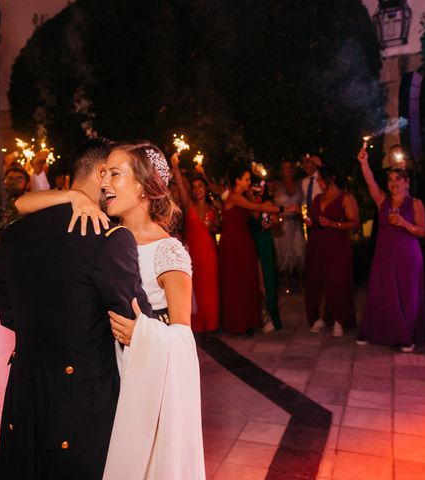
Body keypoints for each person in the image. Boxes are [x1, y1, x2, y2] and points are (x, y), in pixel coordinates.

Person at [16, 141, 205, 479]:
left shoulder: (168, 251)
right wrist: (73, 196)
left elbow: (183, 336)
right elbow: (23, 203)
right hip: (109, 381)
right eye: (103, 175)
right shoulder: (103, 230)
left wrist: (143, 333)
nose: (104, 183)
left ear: (144, 187)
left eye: (115, 175)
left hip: (146, 384)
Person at [0, 138, 153, 479]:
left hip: (25, 394)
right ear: (99, 172)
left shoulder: (12, 234)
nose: (111, 183)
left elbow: (7, 314)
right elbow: (135, 320)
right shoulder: (107, 235)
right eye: (110, 172)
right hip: (81, 403)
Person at [356, 148, 425, 352]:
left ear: (407, 183)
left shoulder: (415, 203)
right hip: (384, 255)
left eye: (398, 180)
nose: (393, 184)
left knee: (407, 295)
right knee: (382, 294)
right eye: (390, 180)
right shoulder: (382, 200)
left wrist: (405, 223)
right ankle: (377, 332)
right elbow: (370, 182)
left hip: (408, 256)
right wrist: (364, 163)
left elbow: (422, 231)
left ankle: (406, 337)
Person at [219, 164, 281, 335]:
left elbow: (254, 215)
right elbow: (258, 209)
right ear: (237, 181)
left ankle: (248, 321)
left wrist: (251, 195)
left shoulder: (243, 197)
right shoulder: (233, 197)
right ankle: (237, 323)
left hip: (244, 241)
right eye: (246, 179)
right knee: (234, 282)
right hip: (232, 243)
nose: (248, 182)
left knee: (247, 281)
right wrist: (282, 209)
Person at [304, 164, 359, 337]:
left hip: (337, 246)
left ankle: (339, 319)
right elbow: (313, 219)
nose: (319, 182)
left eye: (321, 179)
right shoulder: (317, 199)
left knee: (337, 282)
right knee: (316, 281)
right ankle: (319, 318)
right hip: (317, 245)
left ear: (331, 178)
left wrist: (333, 224)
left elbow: (355, 223)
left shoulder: (346, 198)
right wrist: (310, 222)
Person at [171, 153, 220, 334]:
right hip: (193, 254)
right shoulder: (188, 204)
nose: (197, 189)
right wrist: (175, 166)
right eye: (194, 187)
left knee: (210, 289)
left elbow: (218, 228)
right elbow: (181, 188)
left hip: (209, 252)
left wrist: (213, 226)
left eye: (200, 186)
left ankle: (212, 324)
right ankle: (197, 325)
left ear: (205, 188)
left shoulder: (213, 207)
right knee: (195, 289)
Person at [249, 178, 283, 332]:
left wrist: (273, 223)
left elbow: (277, 223)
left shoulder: (267, 203)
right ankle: (258, 313)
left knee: (266, 280)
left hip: (263, 244)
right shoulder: (247, 202)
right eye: (255, 186)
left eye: (260, 187)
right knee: (254, 281)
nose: (257, 189)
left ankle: (271, 315)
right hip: (250, 245)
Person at [271, 160, 306, 293]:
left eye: (290, 167)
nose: (288, 170)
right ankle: (287, 285)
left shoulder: (299, 184)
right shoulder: (276, 185)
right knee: (284, 254)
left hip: (296, 223)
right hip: (282, 223)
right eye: (285, 168)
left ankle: (302, 283)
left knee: (299, 252)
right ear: (282, 170)